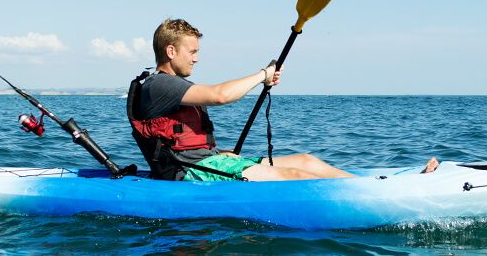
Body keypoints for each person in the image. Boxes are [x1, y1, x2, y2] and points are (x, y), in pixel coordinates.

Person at [127, 18, 438, 181]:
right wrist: (262, 74)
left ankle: (372, 187)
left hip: (210, 162)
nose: (196, 58)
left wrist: (221, 152)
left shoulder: (170, 86)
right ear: (171, 52)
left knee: (307, 161)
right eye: (192, 52)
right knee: (293, 176)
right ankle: (372, 194)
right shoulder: (158, 85)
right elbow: (220, 95)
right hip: (191, 174)